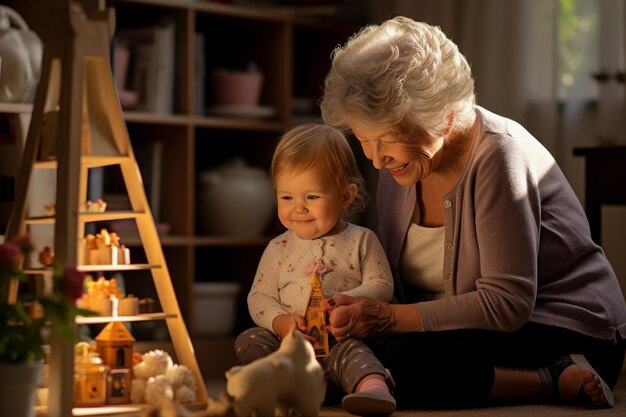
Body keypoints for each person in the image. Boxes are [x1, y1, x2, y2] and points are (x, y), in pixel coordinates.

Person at [319, 16, 626, 409]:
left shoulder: (498, 155)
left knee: (400, 362)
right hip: (466, 333)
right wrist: (351, 308)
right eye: (363, 139)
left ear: (443, 118)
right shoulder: (400, 167)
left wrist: (389, 320)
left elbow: (507, 304)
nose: (376, 159)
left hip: (567, 331)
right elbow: (401, 290)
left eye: (387, 140)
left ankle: (548, 379)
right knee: (348, 353)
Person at [234, 123, 397, 416]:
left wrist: (344, 302)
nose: (299, 208)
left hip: (341, 338)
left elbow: (382, 285)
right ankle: (284, 391)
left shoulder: (361, 240)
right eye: (287, 197)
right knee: (249, 341)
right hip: (291, 350)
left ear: (345, 197)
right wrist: (281, 323)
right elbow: (259, 297)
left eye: (311, 197)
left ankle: (373, 388)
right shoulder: (278, 248)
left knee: (354, 352)